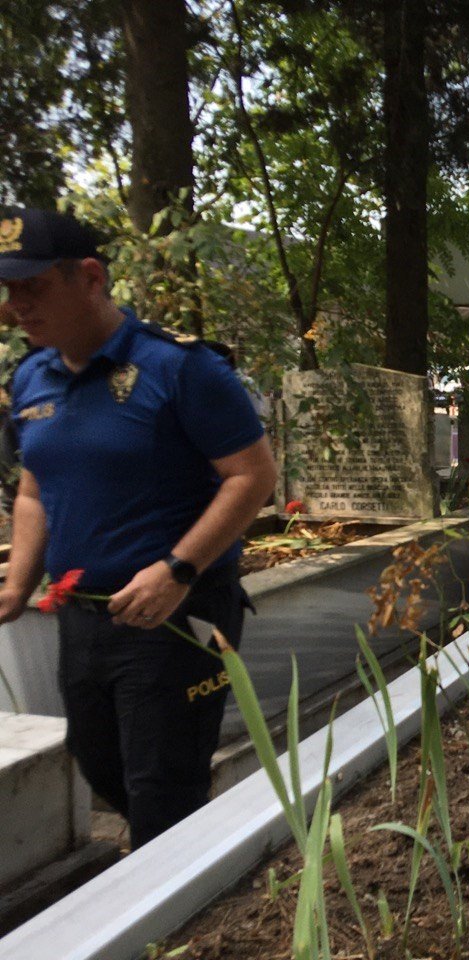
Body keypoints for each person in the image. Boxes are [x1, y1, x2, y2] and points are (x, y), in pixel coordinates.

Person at [0, 206, 277, 849]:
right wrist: (18, 584)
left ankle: (168, 923)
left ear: (89, 277)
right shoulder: (31, 376)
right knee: (100, 763)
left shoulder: (180, 367)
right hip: (84, 613)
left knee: (162, 788)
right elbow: (35, 489)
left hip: (175, 614)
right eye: (10, 291)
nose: (18, 307)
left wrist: (178, 570)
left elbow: (253, 476)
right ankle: (178, 865)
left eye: (34, 287)